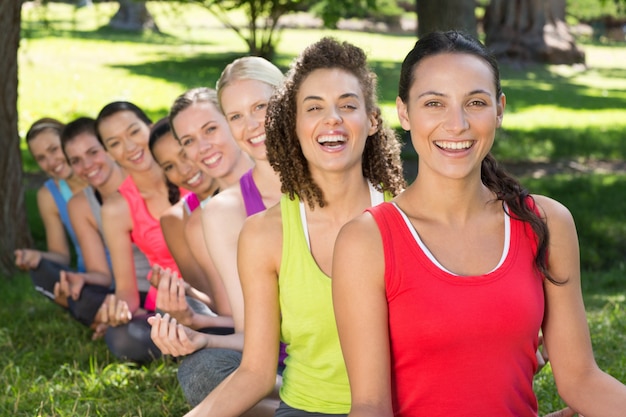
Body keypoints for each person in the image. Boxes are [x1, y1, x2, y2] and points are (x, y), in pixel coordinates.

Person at [331, 30, 626, 417]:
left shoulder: (546, 223)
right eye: (434, 103)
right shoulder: (367, 241)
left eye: (475, 102)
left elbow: (581, 379)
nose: (457, 124)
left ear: (499, 109)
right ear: (404, 112)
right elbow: (370, 405)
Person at [175, 37, 406, 416]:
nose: (332, 119)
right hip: (305, 407)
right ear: (293, 124)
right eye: (314, 108)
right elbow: (256, 371)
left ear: (372, 120)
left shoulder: (409, 219)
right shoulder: (263, 233)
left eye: (347, 105)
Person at [149, 57, 285, 409]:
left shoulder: (333, 173)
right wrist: (196, 326)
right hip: (275, 356)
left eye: (211, 129)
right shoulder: (213, 216)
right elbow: (245, 326)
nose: (203, 147)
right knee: (200, 372)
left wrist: (198, 324)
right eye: (189, 141)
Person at [94, 101, 183, 362]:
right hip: (169, 310)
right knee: (121, 337)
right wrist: (117, 309)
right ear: (109, 153)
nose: (130, 147)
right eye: (115, 143)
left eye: (134, 132)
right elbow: (127, 290)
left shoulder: (190, 174)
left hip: (222, 295)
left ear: (150, 127)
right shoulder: (116, 208)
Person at [60, 116, 152, 330]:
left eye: (93, 152)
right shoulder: (80, 205)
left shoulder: (141, 181)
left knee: (118, 329)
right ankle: (123, 320)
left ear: (109, 149)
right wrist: (82, 278)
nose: (87, 165)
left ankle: (125, 322)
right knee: (80, 298)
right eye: (76, 160)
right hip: (125, 289)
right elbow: (100, 273)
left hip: (164, 284)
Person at [148, 116, 234, 328]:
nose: (184, 170)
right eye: (169, 166)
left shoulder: (250, 189)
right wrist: (183, 291)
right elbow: (212, 304)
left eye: (184, 155)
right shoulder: (177, 220)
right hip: (231, 322)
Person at [15, 117, 87, 308]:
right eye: (41, 158)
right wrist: (36, 257)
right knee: (43, 272)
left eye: (53, 149)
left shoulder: (99, 173)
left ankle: (97, 314)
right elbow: (61, 256)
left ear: (68, 141)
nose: (51, 162)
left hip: (132, 269)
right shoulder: (49, 195)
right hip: (90, 278)